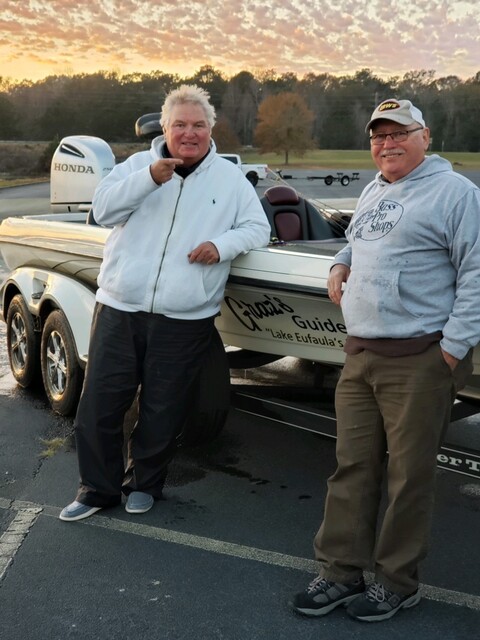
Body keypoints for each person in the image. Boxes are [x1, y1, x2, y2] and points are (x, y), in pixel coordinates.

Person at [293, 99, 480, 622]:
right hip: (361, 355)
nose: (388, 143)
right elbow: (358, 241)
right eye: (379, 136)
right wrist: (337, 263)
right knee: (351, 468)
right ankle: (339, 573)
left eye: (400, 133)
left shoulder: (456, 194)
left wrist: (450, 350)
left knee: (408, 477)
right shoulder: (377, 188)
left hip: (420, 358)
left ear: (425, 136)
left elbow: (477, 276)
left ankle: (397, 583)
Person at [60, 85, 271, 521]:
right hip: (120, 307)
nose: (189, 133)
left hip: (185, 316)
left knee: (163, 407)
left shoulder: (231, 179)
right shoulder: (137, 165)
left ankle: (144, 484)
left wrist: (221, 244)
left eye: (198, 125)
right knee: (99, 404)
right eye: (180, 125)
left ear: (211, 128)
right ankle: (96, 490)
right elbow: (103, 210)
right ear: (165, 127)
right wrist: (150, 179)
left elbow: (256, 228)